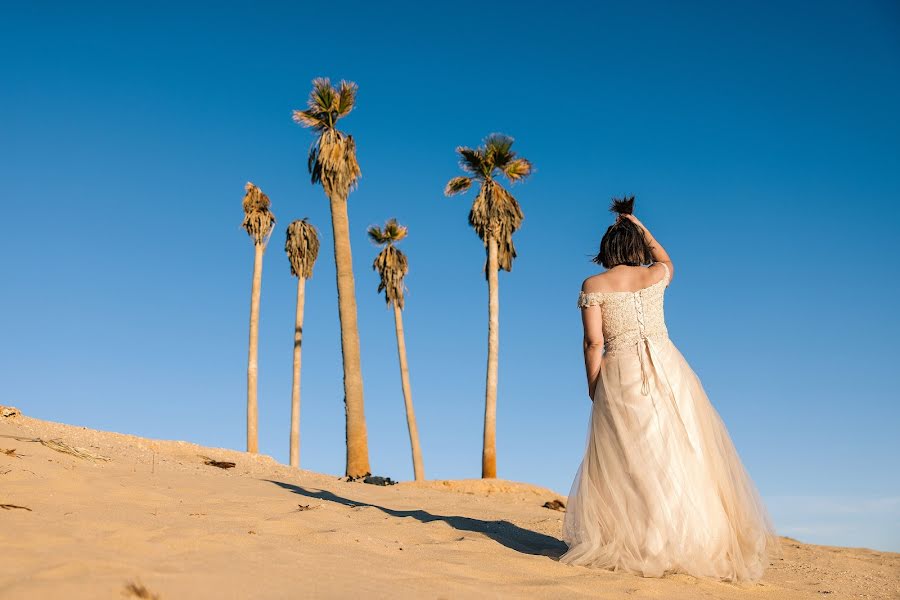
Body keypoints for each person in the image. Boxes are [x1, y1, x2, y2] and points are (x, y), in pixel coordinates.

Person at [560, 196, 779, 581]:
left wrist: (594, 383)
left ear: (606, 250)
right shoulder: (656, 274)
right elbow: (666, 257)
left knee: (631, 457)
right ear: (639, 246)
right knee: (679, 451)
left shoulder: (593, 284)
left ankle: (647, 541)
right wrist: (639, 225)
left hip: (622, 372)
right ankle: (692, 539)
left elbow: (593, 342)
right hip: (669, 367)